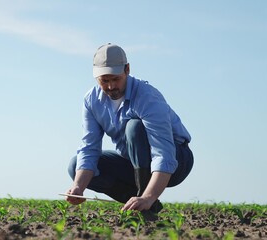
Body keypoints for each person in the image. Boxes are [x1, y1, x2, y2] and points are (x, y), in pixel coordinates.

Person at [65, 43, 194, 215]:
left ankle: (146, 200)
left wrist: (149, 195)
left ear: (127, 69)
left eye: (115, 79)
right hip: (133, 162)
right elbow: (89, 148)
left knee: (134, 127)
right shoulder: (92, 101)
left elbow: (163, 153)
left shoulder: (147, 97)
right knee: (76, 165)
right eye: (105, 81)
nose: (111, 87)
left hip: (176, 159)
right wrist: (78, 187)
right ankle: (141, 203)